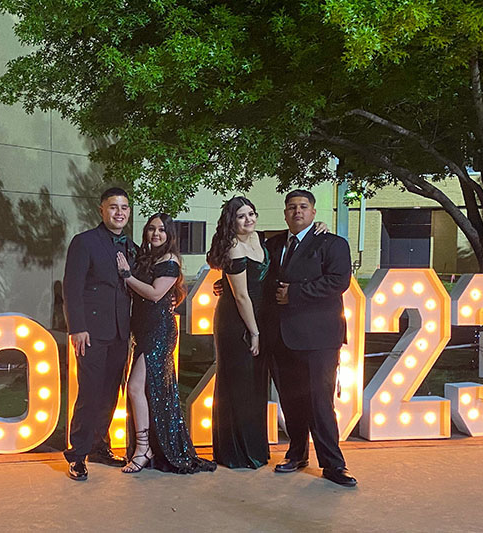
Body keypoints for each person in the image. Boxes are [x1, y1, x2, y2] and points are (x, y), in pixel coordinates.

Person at [261, 189, 357, 487]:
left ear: (314, 212)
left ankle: (333, 465)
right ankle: (297, 453)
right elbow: (257, 276)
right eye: (291, 207)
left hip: (319, 339)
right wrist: (226, 287)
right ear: (285, 213)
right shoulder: (273, 244)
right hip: (281, 338)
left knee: (319, 403)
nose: (297, 212)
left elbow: (338, 281)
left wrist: (295, 293)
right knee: (291, 402)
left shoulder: (332, 244)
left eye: (303, 207)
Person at [116, 214, 217, 474]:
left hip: (159, 332)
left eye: (162, 230)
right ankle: (147, 447)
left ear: (170, 234)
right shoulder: (146, 257)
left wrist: (127, 276)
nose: (156, 233)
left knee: (136, 387)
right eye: (151, 229)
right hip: (143, 330)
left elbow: (154, 293)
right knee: (149, 390)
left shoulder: (170, 260)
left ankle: (142, 449)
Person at [62, 187, 135, 481]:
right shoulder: (84, 242)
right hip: (91, 332)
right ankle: (78, 455)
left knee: (109, 394)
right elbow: (71, 287)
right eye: (114, 207)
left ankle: (99, 446)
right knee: (90, 392)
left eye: (125, 208)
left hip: (120, 332)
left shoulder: (131, 246)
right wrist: (77, 327)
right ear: (101, 210)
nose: (120, 212)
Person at [206, 197, 271, 469]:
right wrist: (254, 333)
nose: (249, 220)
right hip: (237, 324)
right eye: (242, 216)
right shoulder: (233, 246)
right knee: (238, 386)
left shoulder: (261, 238)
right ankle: (234, 452)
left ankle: (255, 448)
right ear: (231, 221)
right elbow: (242, 296)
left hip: (258, 320)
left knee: (256, 385)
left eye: (252, 214)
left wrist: (322, 225)